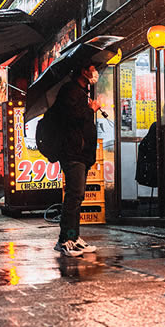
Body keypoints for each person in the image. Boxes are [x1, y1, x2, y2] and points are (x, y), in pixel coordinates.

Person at [53, 61, 102, 257]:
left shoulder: (81, 92)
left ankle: (74, 237)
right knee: (74, 196)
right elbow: (71, 117)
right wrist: (91, 109)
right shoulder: (70, 91)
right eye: (92, 69)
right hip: (72, 153)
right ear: (83, 71)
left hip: (80, 153)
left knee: (77, 196)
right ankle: (65, 239)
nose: (94, 72)